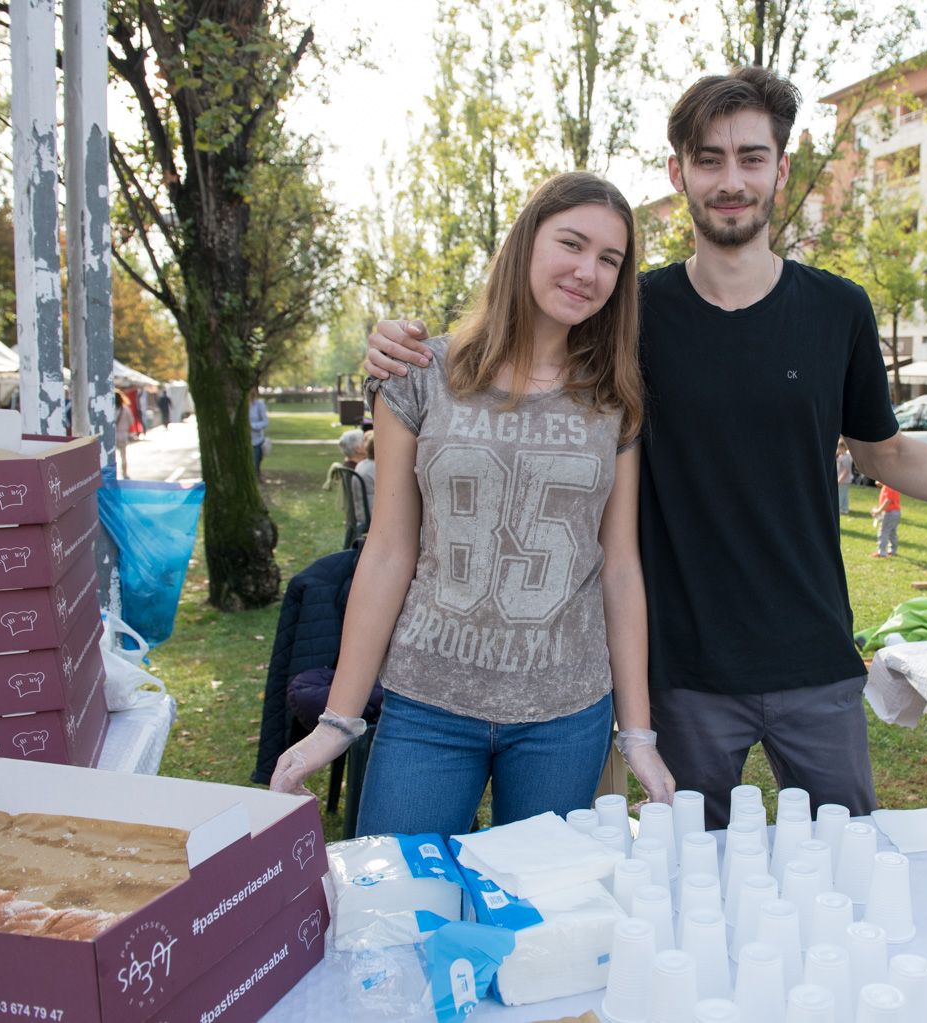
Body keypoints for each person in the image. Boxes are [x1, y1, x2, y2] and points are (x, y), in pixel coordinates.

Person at [364, 68, 927, 829]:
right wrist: (404, 346)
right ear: (677, 172)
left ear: (781, 170)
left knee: (844, 877)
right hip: (680, 673)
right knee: (683, 893)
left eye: (751, 157)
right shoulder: (626, 314)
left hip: (814, 660)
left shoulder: (837, 309)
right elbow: (522, 340)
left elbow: (885, 452)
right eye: (708, 159)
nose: (731, 179)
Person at [270, 172, 673, 837]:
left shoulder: (613, 397)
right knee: (399, 906)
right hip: (427, 702)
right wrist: (338, 720)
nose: (587, 271)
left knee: (536, 919)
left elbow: (619, 567)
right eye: (571, 243)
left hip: (563, 713)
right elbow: (389, 549)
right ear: (525, 243)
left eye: (609, 259)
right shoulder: (420, 373)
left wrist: (637, 734)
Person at [872, 482, 901, 558]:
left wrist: (878, 511)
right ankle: (893, 550)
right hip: (896, 512)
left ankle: (881, 552)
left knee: (883, 532)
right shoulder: (894, 485)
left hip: (890, 513)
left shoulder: (888, 486)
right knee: (892, 532)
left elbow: (888, 501)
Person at [249, 389, 270, 477]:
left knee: (255, 464)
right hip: (242, 440)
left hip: (256, 440)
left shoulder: (259, 404)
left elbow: (265, 422)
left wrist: (252, 426)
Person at [113, 391, 133, 479]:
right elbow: (131, 421)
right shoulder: (126, 409)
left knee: (112, 457)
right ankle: (124, 473)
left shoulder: (110, 410)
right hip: (123, 434)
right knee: (123, 455)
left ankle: (113, 474)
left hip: (113, 435)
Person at [836, 438, 853, 515]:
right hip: (844, 480)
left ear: (842, 448)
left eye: (838, 447)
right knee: (844, 495)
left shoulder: (846, 457)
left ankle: (840, 509)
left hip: (843, 480)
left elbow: (846, 470)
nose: (837, 449)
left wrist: (840, 479)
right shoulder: (841, 456)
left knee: (841, 495)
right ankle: (845, 509)